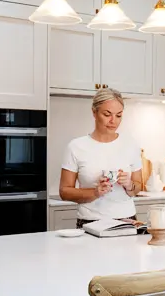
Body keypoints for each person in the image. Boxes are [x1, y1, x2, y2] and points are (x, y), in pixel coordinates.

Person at [59, 87, 143, 227]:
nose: (113, 121)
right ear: (94, 112)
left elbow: (138, 186)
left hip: (127, 220)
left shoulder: (131, 145)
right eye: (107, 114)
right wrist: (95, 192)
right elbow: (64, 191)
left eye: (118, 115)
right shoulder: (76, 146)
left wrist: (129, 185)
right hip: (90, 222)